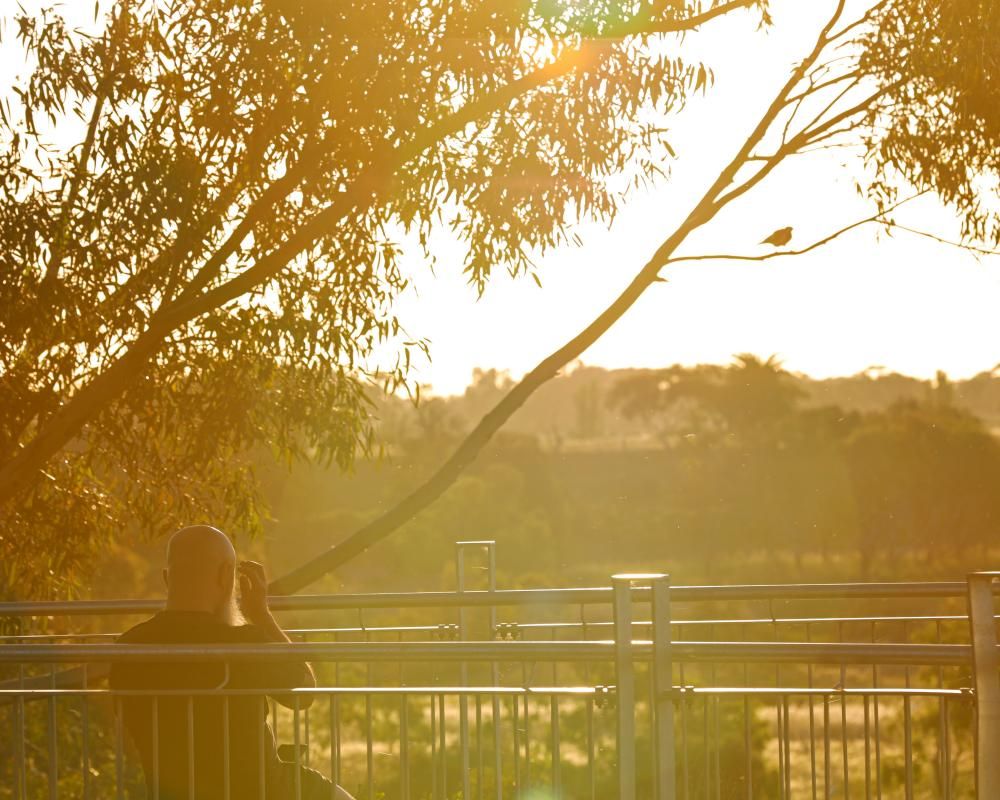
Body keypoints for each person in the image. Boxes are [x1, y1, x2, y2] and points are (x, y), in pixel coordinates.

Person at [109, 525, 354, 799]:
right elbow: (304, 692)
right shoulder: (244, 644)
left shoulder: (129, 648)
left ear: (167, 578)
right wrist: (261, 616)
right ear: (227, 576)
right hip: (262, 791)